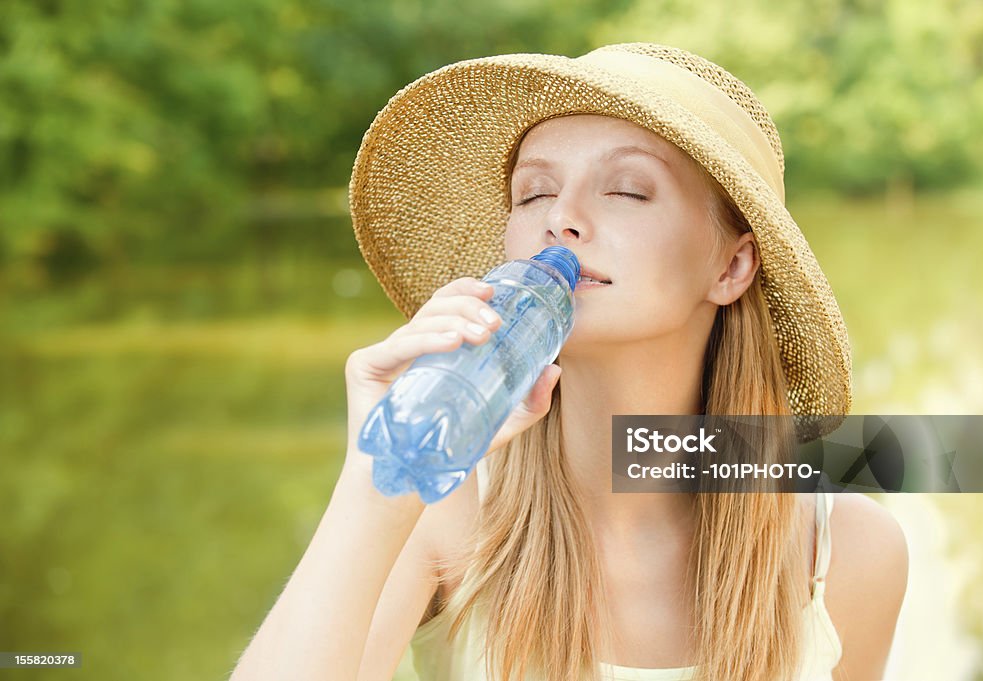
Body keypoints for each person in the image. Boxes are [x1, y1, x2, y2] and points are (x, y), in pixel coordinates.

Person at [230, 43, 908, 681]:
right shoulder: (449, 510)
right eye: (532, 193)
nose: (562, 218)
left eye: (627, 190)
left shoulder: (843, 552)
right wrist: (375, 482)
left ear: (731, 265)